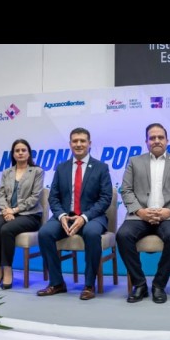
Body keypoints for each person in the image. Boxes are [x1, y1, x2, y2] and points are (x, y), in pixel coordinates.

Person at [117, 123, 170, 304]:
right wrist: (140, 211)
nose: (156, 141)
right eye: (152, 138)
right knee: (122, 235)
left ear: (167, 140)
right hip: (139, 215)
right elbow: (126, 190)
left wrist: (169, 211)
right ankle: (140, 284)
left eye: (160, 137)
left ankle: (159, 284)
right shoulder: (134, 162)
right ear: (146, 141)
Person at [37, 128, 112, 300]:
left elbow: (105, 198)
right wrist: (61, 216)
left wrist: (84, 217)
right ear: (70, 144)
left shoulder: (101, 168)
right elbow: (53, 197)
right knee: (45, 233)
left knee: (92, 233)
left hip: (92, 217)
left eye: (82, 141)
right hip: (65, 217)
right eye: (75, 141)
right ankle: (57, 283)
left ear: (89, 144)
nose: (79, 144)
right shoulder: (61, 168)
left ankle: (89, 285)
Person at [0, 139, 45, 289]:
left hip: (29, 215)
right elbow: (1, 195)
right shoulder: (7, 172)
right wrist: (6, 210)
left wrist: (14, 210)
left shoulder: (37, 171)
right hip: (7, 212)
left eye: (23, 150)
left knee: (6, 230)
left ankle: (7, 270)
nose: (20, 153)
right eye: (17, 150)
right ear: (13, 154)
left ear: (29, 153)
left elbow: (35, 197)